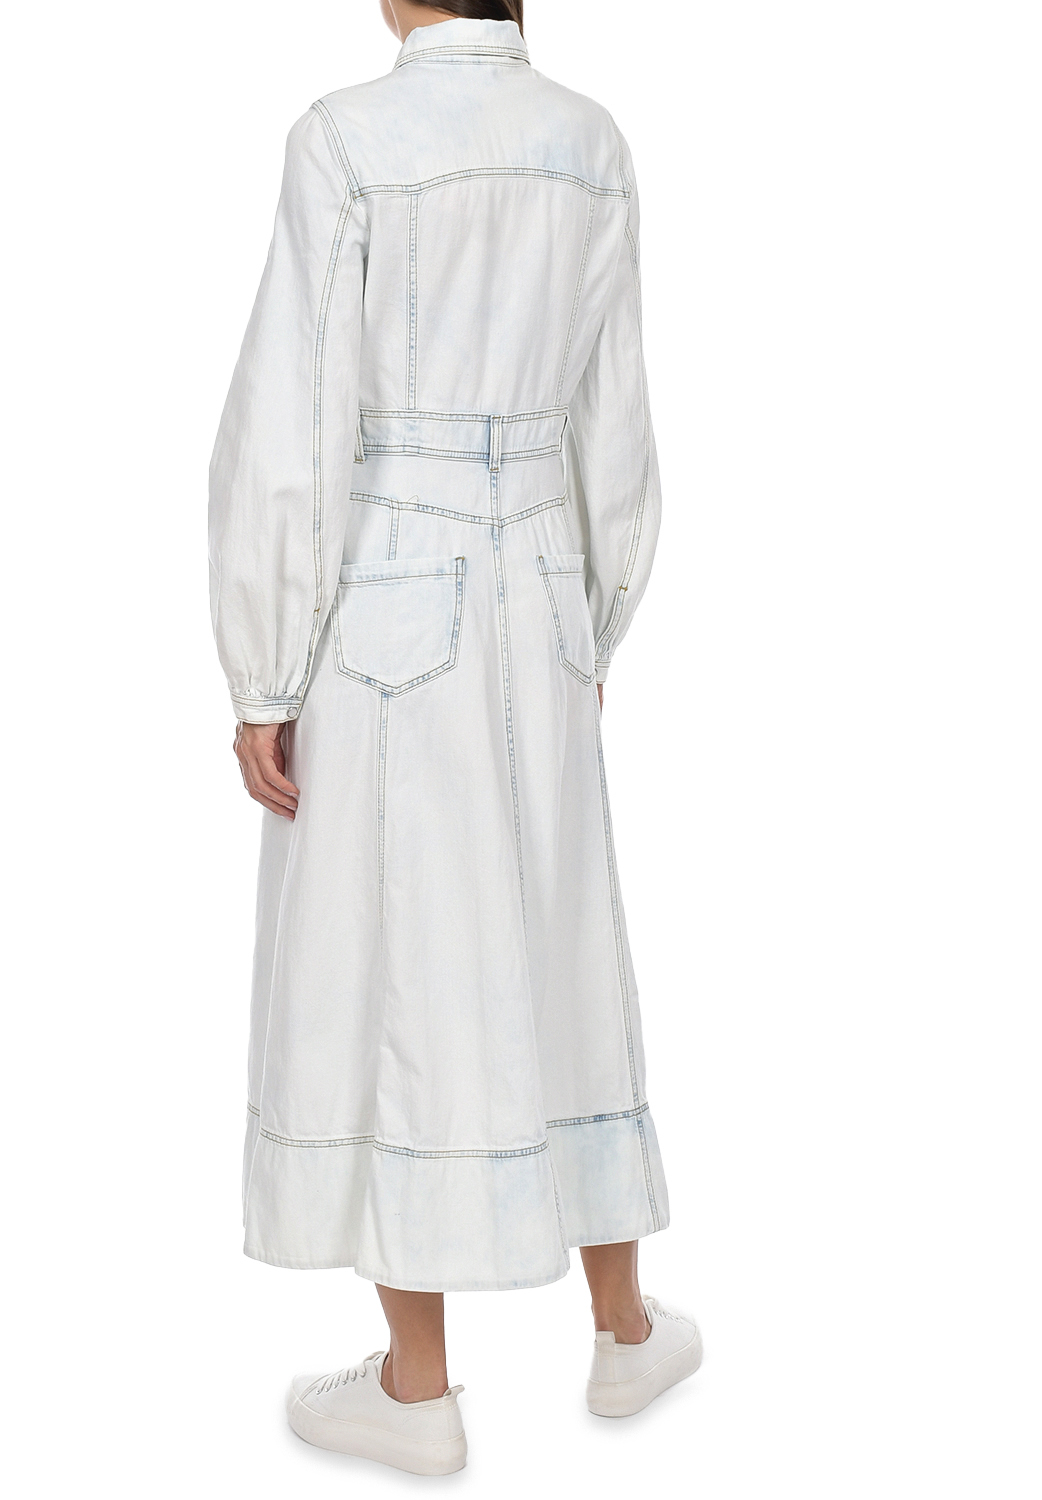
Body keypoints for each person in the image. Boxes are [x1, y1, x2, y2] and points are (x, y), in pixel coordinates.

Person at [208, 0, 700, 1474]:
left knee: (394, 959)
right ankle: (624, 1328)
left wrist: (261, 669)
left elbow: (291, 418)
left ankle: (418, 1391)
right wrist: (594, 619)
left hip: (389, 586)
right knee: (564, 944)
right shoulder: (591, 144)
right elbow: (618, 418)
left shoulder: (347, 140)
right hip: (543, 578)